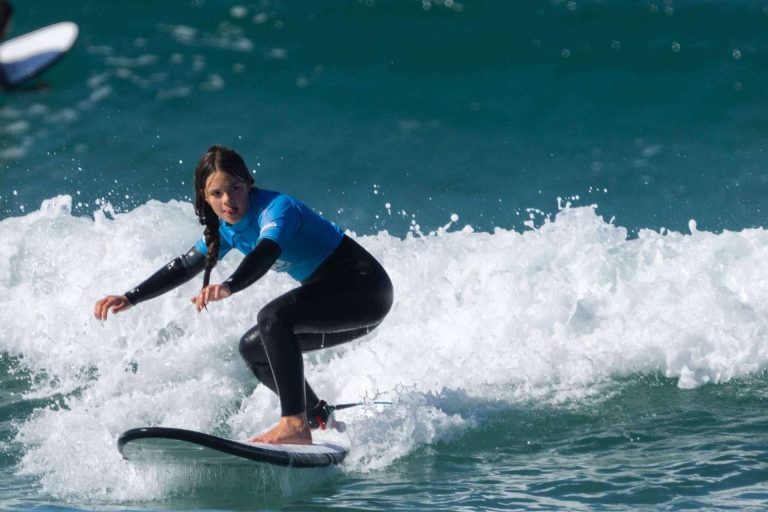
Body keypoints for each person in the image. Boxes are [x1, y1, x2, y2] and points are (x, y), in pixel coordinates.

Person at [94, 145, 394, 445]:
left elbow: (266, 252)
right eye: (217, 194)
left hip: (365, 292)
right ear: (204, 196)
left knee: (273, 318)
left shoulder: (278, 208)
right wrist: (132, 297)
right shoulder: (226, 229)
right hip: (338, 303)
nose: (228, 201)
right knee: (254, 348)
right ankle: (316, 415)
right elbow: (185, 265)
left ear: (248, 183)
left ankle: (293, 424)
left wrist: (230, 285)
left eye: (235, 188)